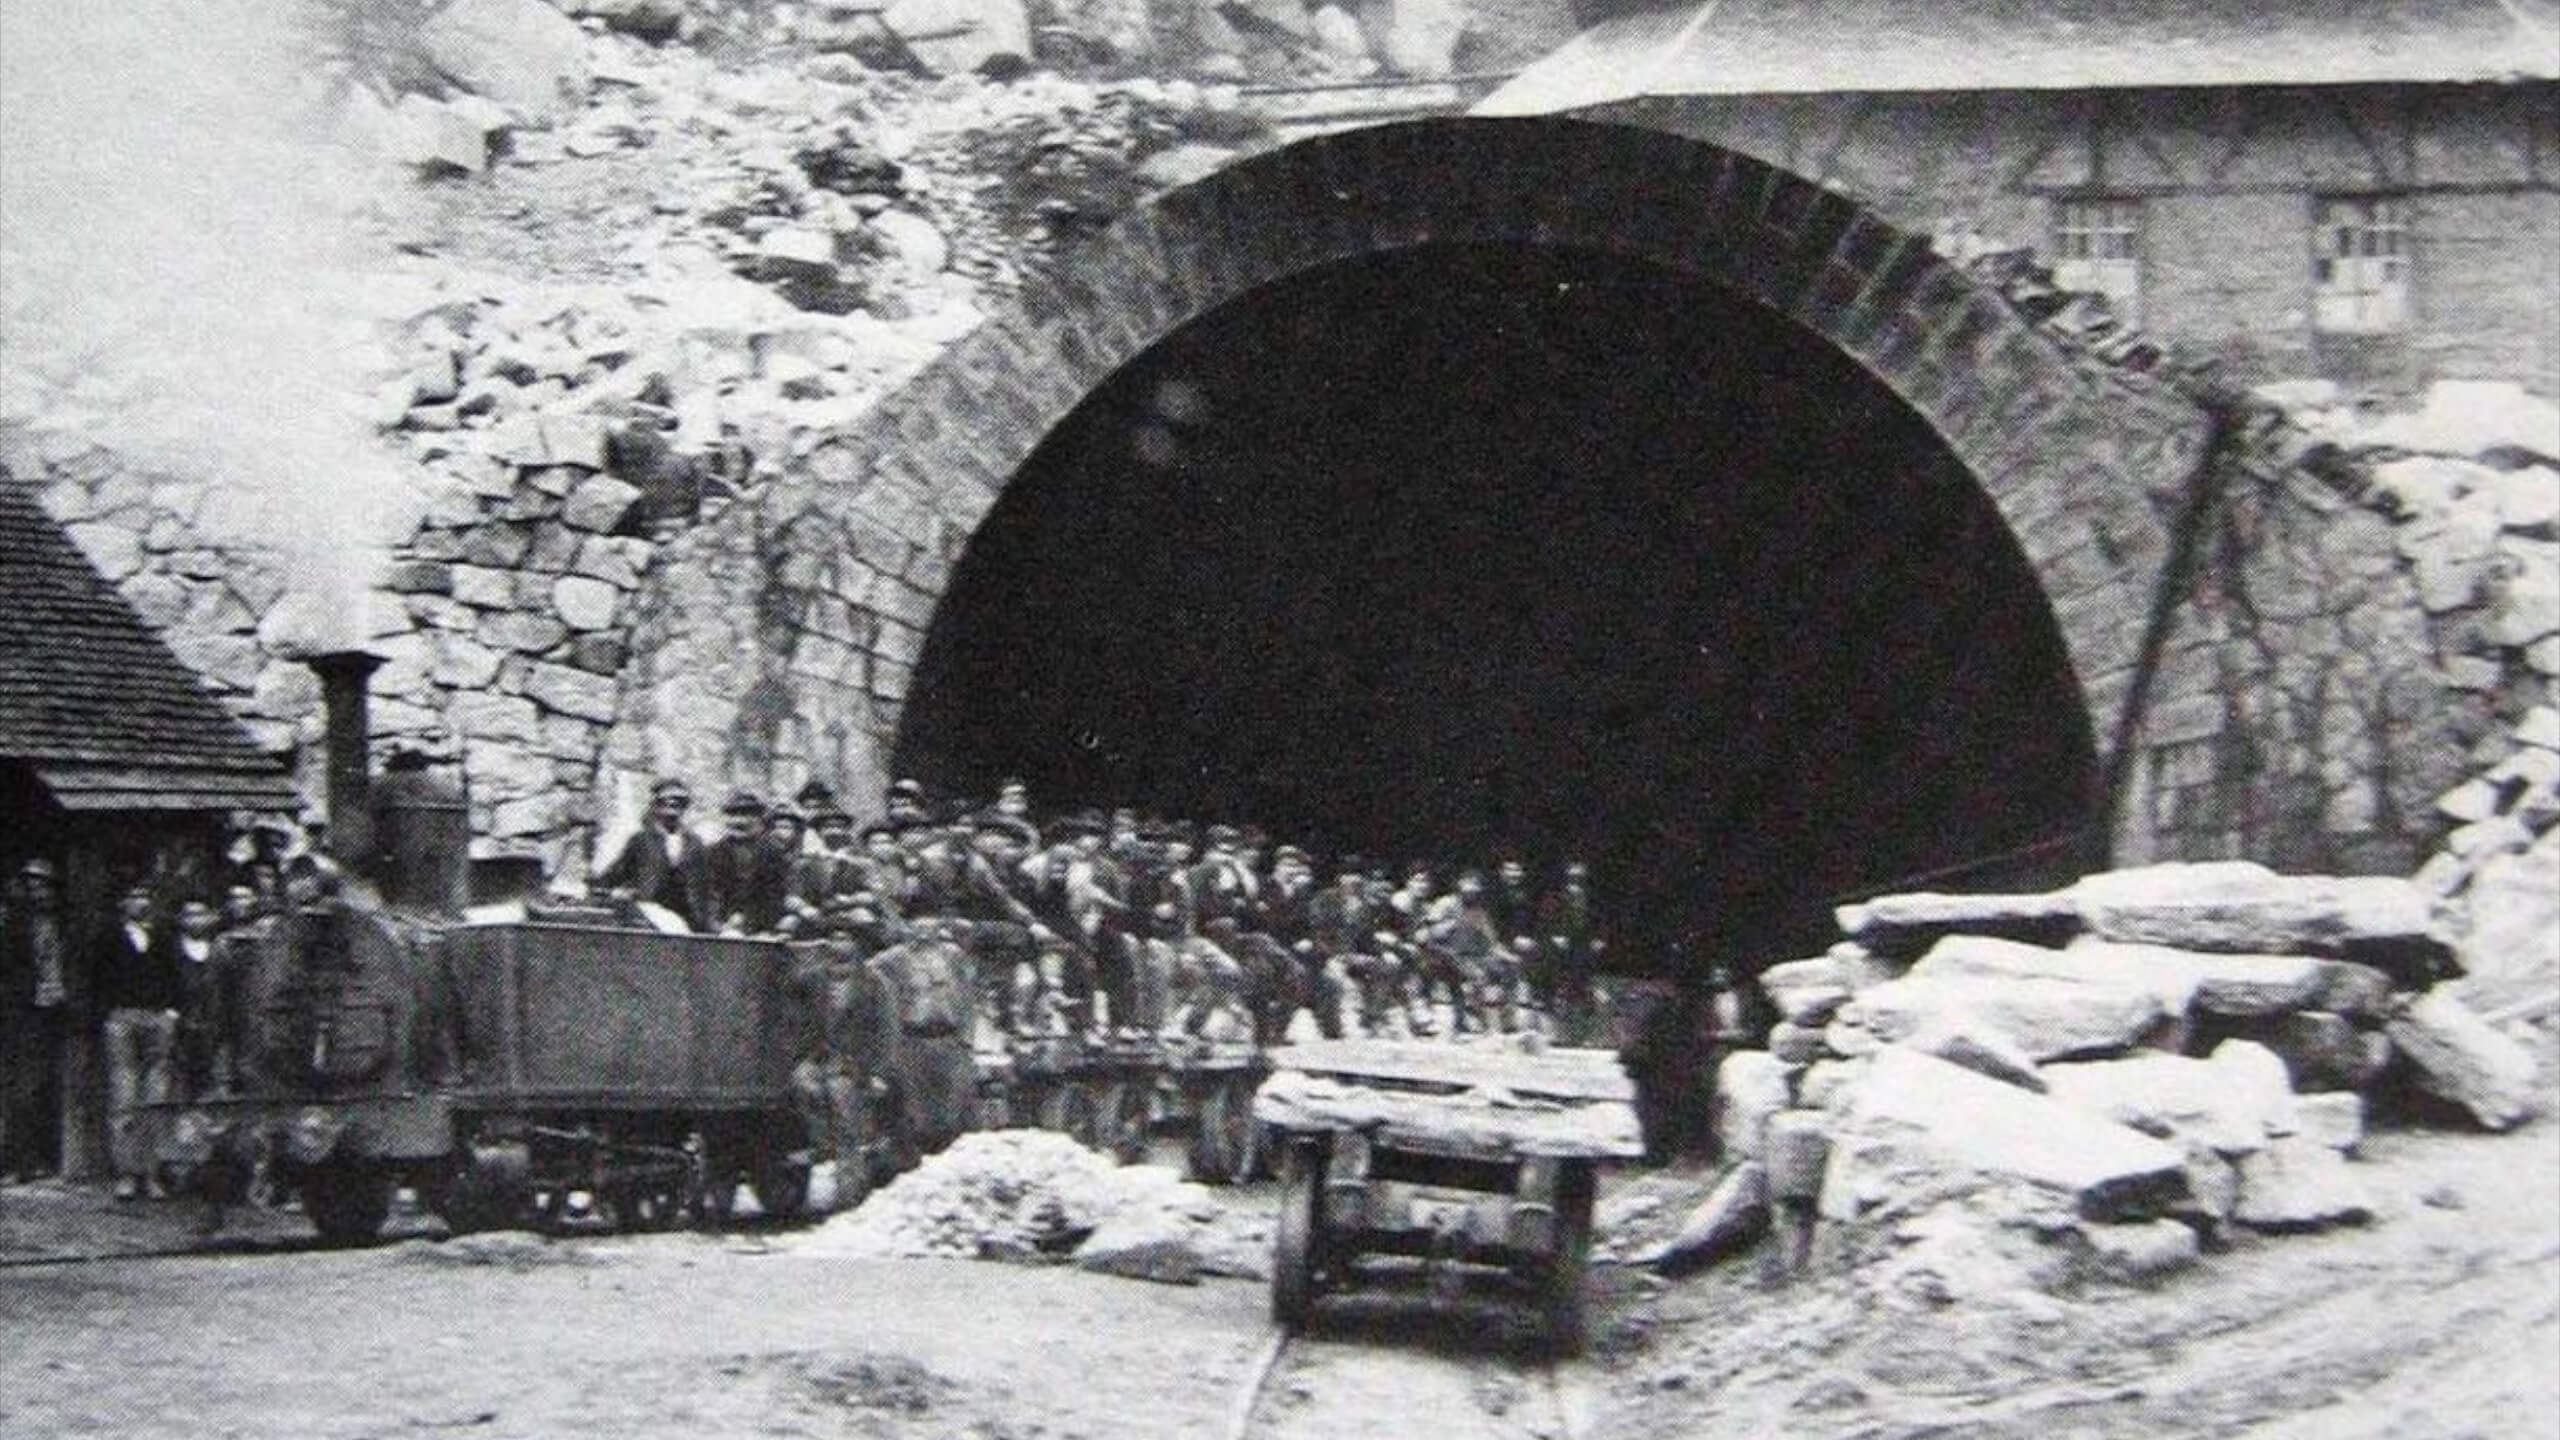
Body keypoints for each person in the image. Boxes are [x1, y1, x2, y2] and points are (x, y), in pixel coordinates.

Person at [789, 905, 896, 1209]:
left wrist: (878, 1073)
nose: (840, 945)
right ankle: (823, 1144)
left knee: (844, 1113)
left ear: (857, 945)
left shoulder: (873, 983)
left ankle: (849, 1196)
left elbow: (886, 1031)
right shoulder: (815, 978)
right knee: (801, 1083)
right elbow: (791, 989)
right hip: (821, 1057)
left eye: (846, 940)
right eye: (834, 939)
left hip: (855, 1063)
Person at [98, 878, 182, 1201]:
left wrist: (171, 1011)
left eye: (145, 895)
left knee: (156, 1097)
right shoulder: (110, 938)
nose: (140, 901)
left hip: (157, 1017)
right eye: (133, 895)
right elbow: (98, 979)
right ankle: (126, 1173)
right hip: (123, 1017)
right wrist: (109, 1014)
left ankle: (151, 1172)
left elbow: (175, 976)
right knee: (124, 1097)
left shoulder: (161, 937)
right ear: (123, 903)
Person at [2, 858, 71, 1182]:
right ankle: (18, 1162)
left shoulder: (65, 923)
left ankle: (47, 1159)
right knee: (23, 1088)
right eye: (32, 886)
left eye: (43, 885)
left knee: (51, 1085)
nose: (38, 891)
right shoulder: (15, 925)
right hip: (25, 1012)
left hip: (58, 1011)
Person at [596, 778, 709, 929]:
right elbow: (616, 873)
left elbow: (705, 883)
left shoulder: (695, 843)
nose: (671, 809)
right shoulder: (641, 840)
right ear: (656, 807)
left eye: (678, 803)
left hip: (688, 917)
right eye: (665, 803)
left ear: (684, 808)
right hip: (649, 915)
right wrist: (602, 890)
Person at [701, 790, 773, 935]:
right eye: (734, 815)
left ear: (758, 819)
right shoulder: (713, 853)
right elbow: (709, 893)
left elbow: (774, 896)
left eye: (746, 815)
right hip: (721, 928)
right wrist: (716, 924)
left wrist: (747, 920)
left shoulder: (772, 854)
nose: (739, 821)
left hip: (761, 929)